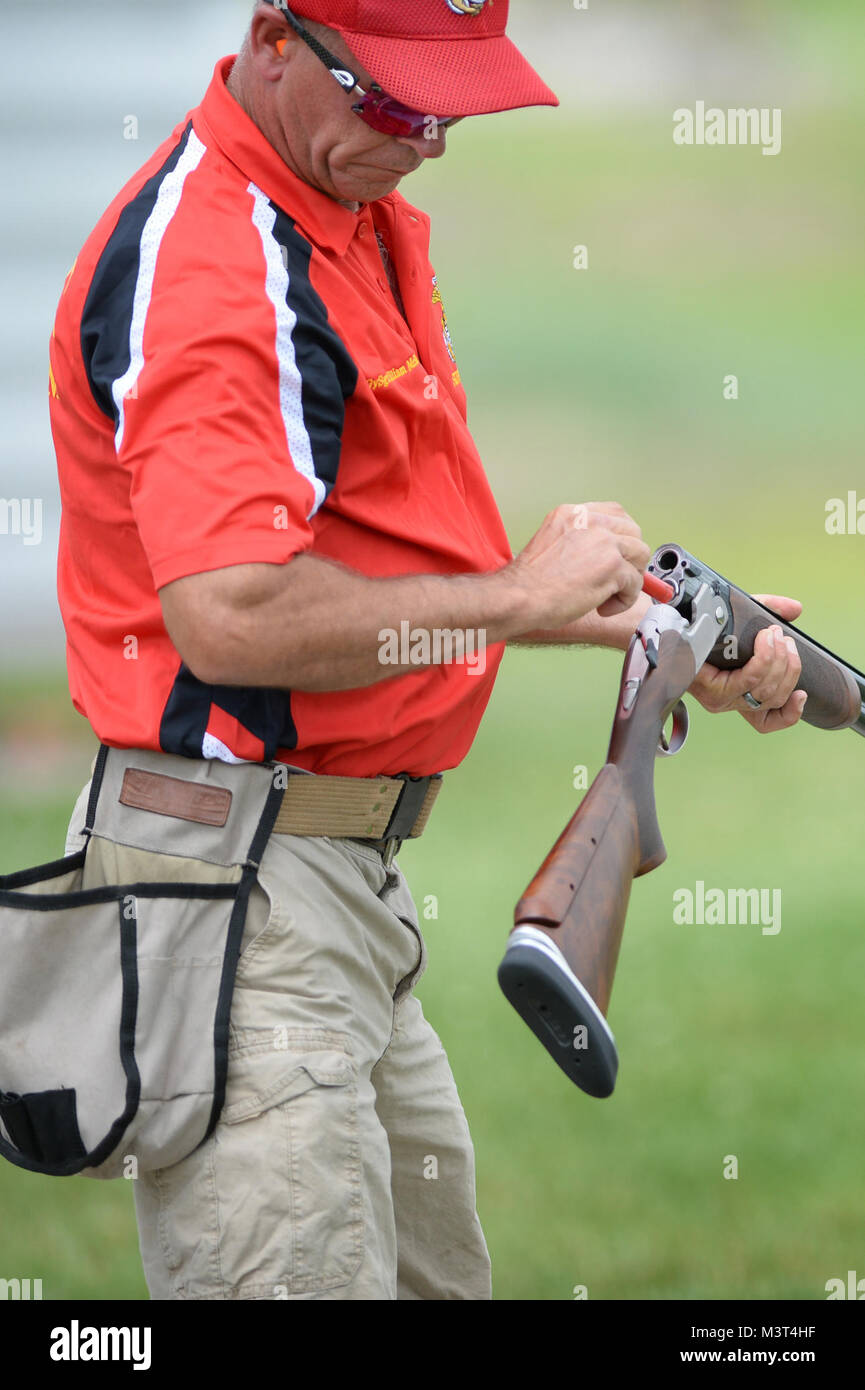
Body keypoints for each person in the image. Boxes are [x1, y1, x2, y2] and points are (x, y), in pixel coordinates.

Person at [48, 0, 805, 1300]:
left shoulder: (346, 211)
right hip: (244, 893)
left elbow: (390, 572)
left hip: (327, 887)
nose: (430, 139)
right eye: (396, 101)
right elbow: (228, 614)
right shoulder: (223, 266)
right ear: (274, 41)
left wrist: (649, 626)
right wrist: (520, 594)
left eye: (449, 105)